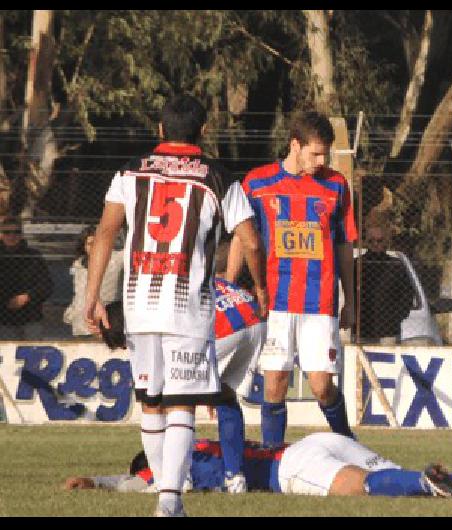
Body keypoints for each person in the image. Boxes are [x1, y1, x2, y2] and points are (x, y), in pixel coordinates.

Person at [84, 94, 266, 517]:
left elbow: (106, 231)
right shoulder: (218, 177)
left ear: (160, 130)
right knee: (182, 402)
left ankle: (163, 493)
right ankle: (169, 501)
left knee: (151, 399)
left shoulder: (129, 172)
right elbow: (251, 240)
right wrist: (258, 285)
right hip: (189, 307)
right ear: (203, 132)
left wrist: (92, 297)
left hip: (139, 305)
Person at [227, 110, 357, 449]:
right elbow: (242, 238)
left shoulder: (336, 186)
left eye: (325, 154)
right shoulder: (257, 183)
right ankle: (273, 456)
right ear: (294, 145)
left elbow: (344, 246)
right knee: (274, 384)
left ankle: (349, 445)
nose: (320, 160)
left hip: (319, 300)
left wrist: (351, 301)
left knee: (321, 386)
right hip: (275, 302)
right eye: (314, 153)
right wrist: (227, 286)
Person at [98, 241, 267, 494]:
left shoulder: (144, 312)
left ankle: (179, 477)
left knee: (168, 398)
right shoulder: (165, 277)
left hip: (224, 327)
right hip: (251, 316)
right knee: (225, 397)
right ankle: (235, 479)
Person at [63, 432, 452, 499]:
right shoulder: (199, 440)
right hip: (315, 439)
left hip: (295, 467)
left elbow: (135, 484)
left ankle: (428, 482)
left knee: (368, 487)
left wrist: (97, 481)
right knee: (403, 485)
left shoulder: (165, 466)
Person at [354, 221, 415, 344]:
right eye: (371, 241)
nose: (375, 244)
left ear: (386, 242)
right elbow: (349, 294)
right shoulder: (357, 265)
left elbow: (407, 296)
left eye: (379, 240)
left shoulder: (396, 266)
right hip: (362, 330)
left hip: (388, 331)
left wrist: (395, 318)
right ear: (366, 242)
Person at [63, 225, 123, 337]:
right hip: (81, 324)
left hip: (108, 324)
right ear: (84, 246)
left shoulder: (117, 259)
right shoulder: (78, 264)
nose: (94, 247)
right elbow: (78, 292)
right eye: (90, 244)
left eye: (97, 243)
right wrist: (72, 312)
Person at [0, 216, 53, 340]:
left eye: (16, 232)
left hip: (30, 317)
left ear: (22, 234)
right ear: (1, 235)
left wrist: (27, 297)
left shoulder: (34, 256)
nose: (12, 236)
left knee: (34, 353)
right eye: (7, 232)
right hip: (3, 318)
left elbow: (47, 285)